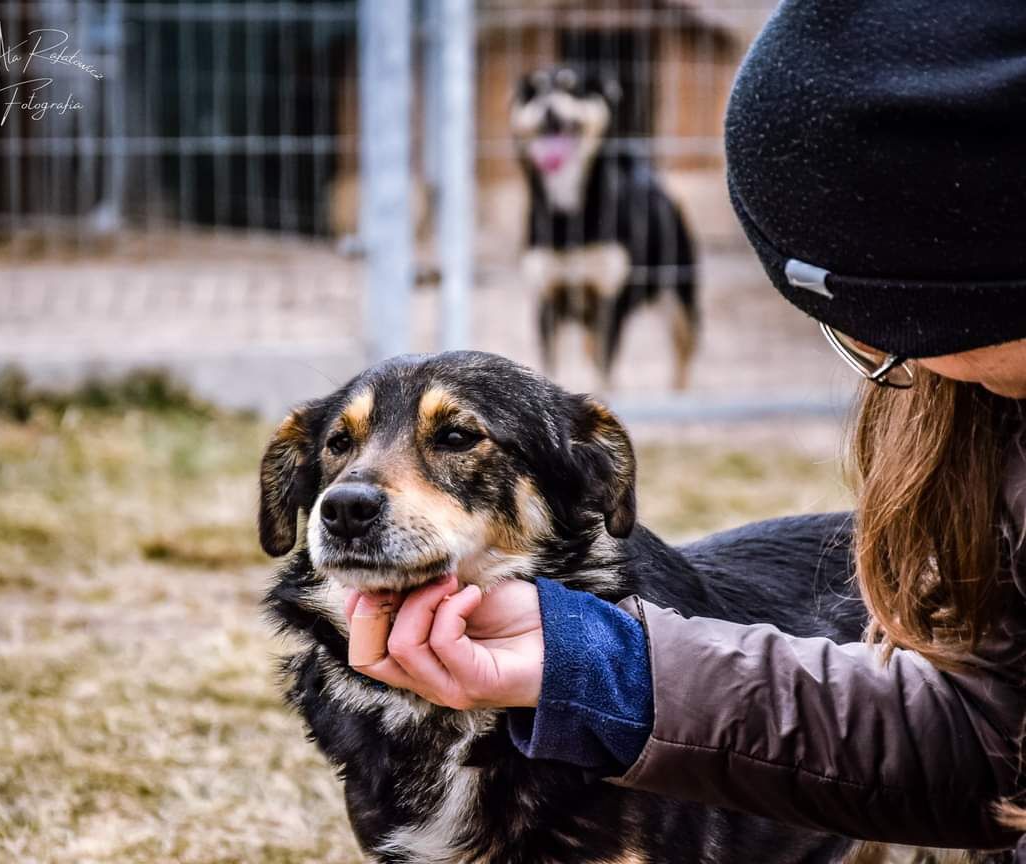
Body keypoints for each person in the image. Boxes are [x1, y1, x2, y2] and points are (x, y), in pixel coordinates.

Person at [349, 0, 1026, 855]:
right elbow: (982, 741)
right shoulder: (982, 426)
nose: (888, 370)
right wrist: (606, 673)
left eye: (910, 341)